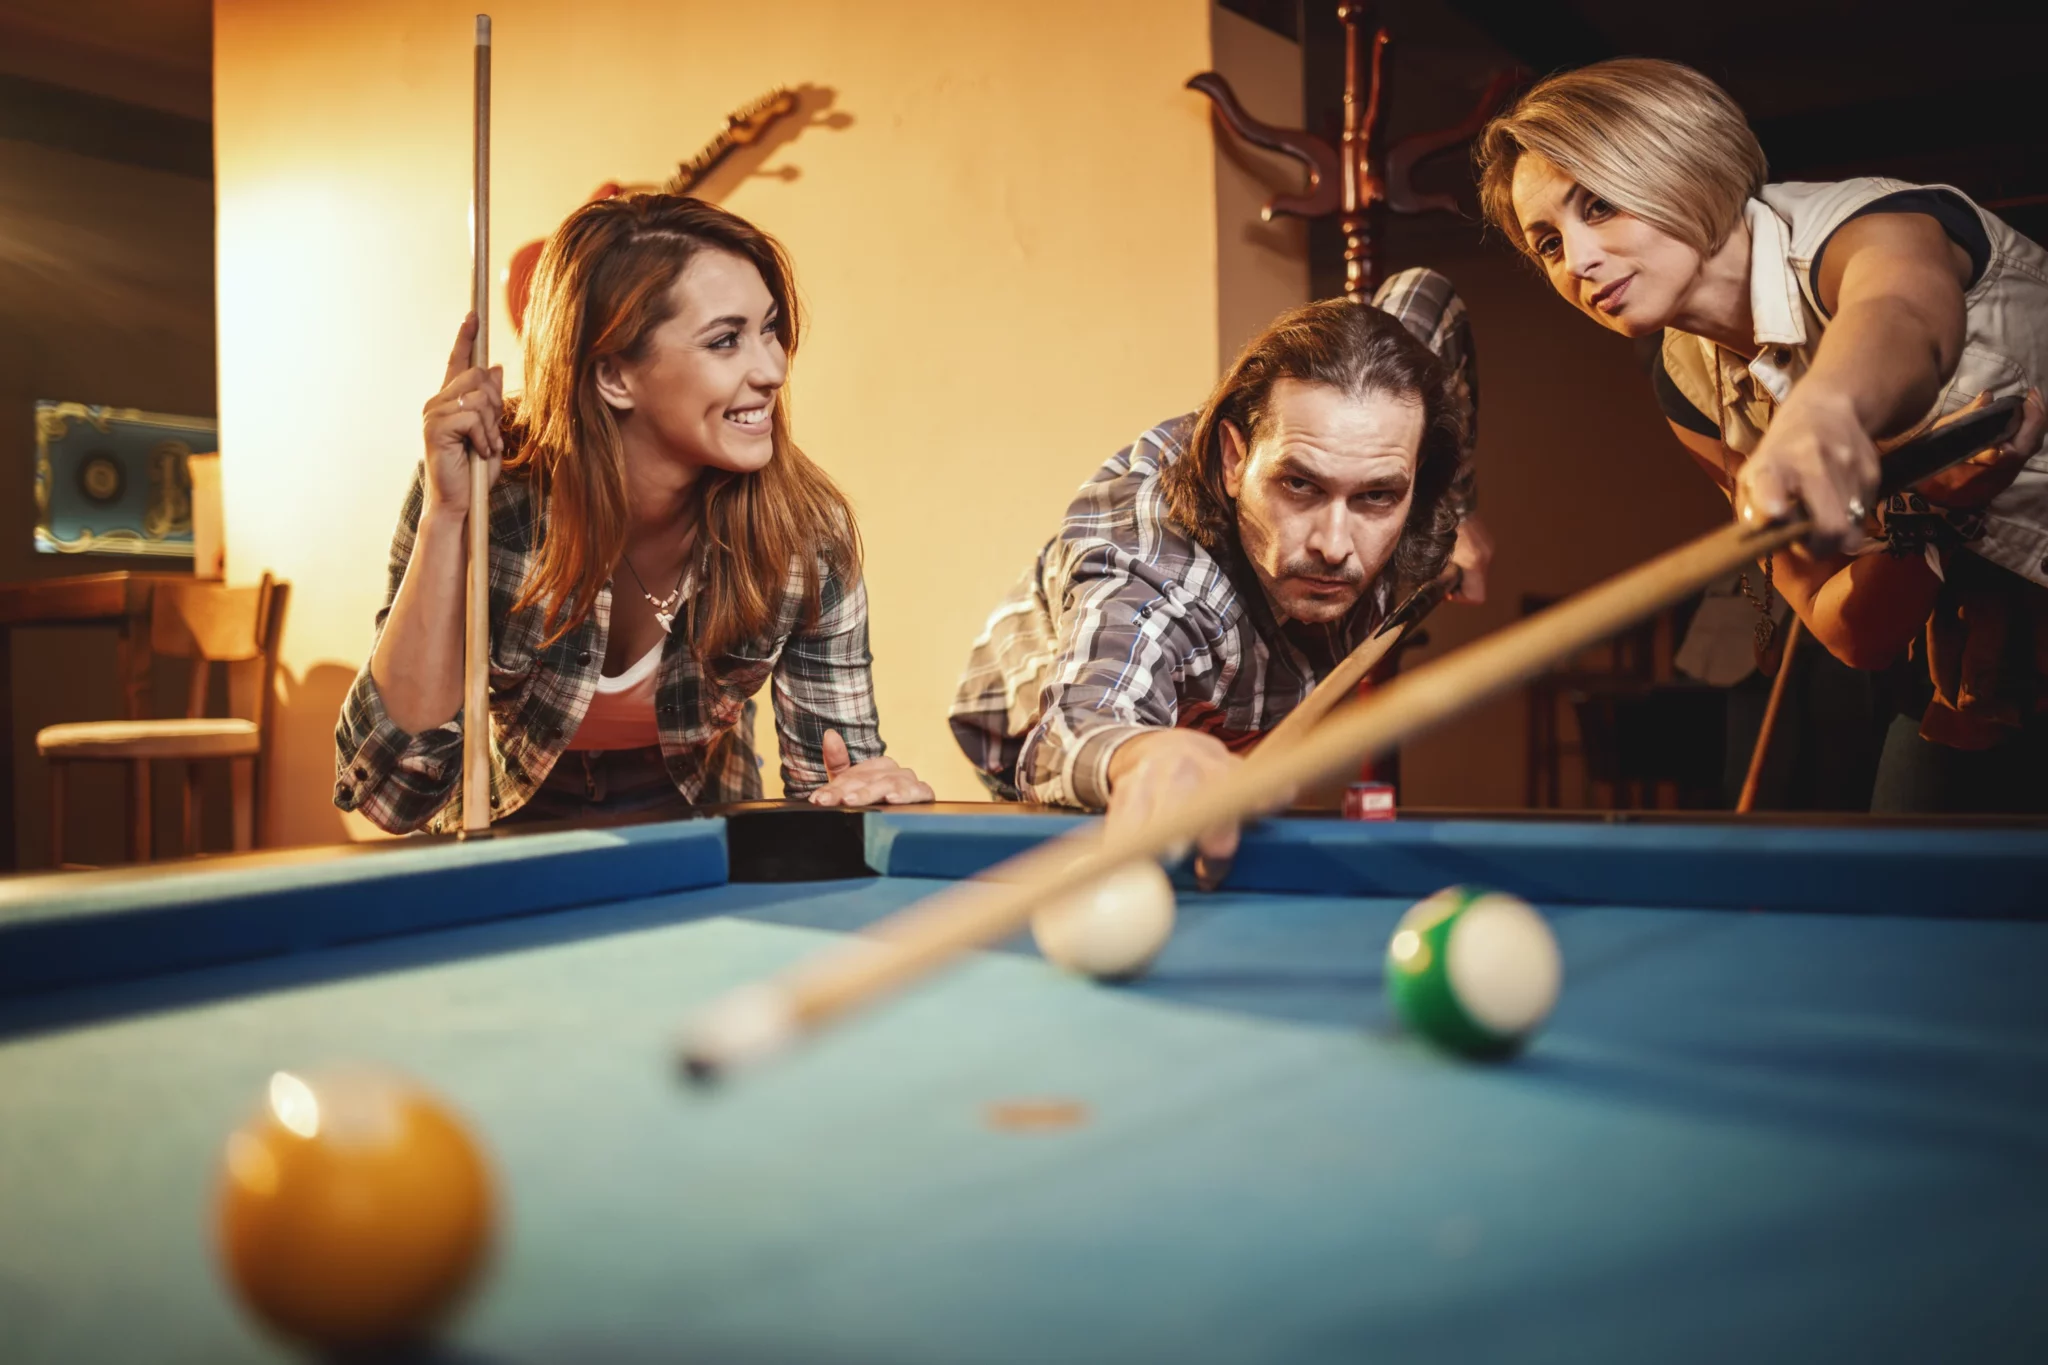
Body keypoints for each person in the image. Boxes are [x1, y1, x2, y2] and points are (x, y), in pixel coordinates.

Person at [1475, 59, 2048, 811]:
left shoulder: (1865, 227)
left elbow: (1904, 315)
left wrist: (1823, 413)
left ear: (1686, 166)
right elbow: (1852, 634)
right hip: (1981, 675)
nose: (1579, 261)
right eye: (1547, 242)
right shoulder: (1688, 389)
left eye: (1602, 205)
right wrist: (1928, 515)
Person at [336, 195, 932, 832]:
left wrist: (862, 794)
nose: (774, 368)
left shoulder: (805, 535)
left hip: (696, 829)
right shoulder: (489, 491)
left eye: (770, 329)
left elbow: (833, 790)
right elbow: (396, 795)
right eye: (726, 340)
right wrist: (447, 516)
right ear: (614, 375)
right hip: (507, 831)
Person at [950, 281, 1472, 880]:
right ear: (1234, 460)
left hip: (1233, 714)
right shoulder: (1161, 575)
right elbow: (1073, 727)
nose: (1334, 545)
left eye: (1377, 495)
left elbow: (1428, 297)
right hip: (1047, 754)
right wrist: (1141, 753)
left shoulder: (1395, 401)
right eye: (1300, 485)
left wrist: (1461, 504)